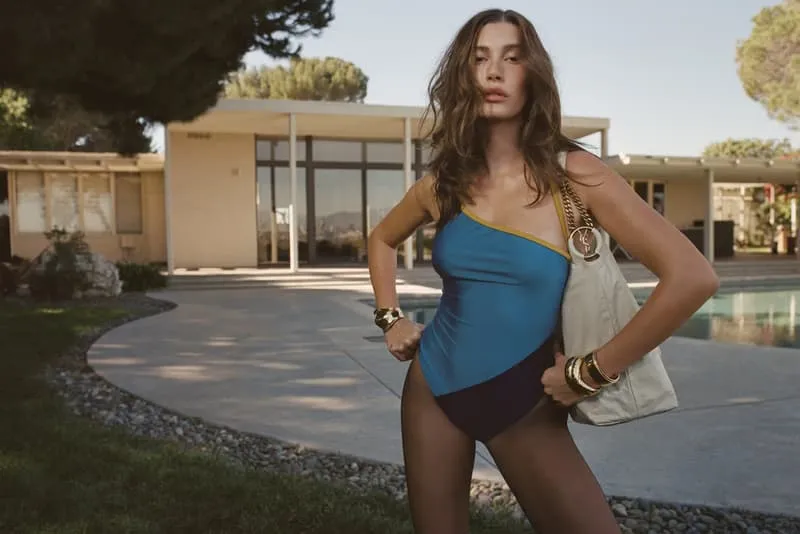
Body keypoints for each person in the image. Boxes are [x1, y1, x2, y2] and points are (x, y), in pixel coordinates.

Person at [366, 8, 719, 534]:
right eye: (479, 59)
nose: (493, 72)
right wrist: (391, 318)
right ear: (464, 74)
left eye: (512, 58)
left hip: (526, 400)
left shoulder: (576, 174)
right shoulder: (448, 179)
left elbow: (693, 278)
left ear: (533, 73)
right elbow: (381, 238)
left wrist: (591, 370)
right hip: (432, 388)